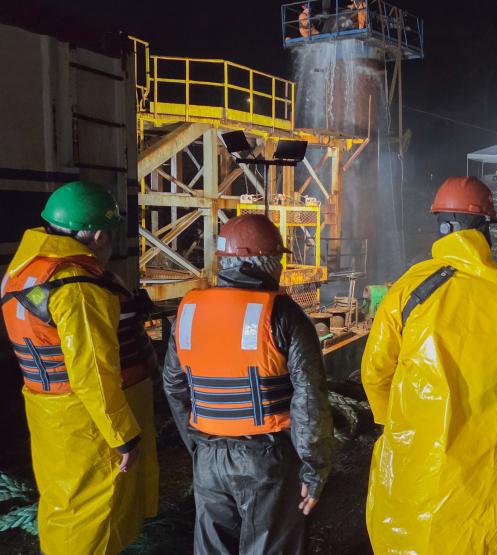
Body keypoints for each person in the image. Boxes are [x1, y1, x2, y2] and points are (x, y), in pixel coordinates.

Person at [362, 176, 497, 554]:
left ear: (442, 225)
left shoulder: (410, 287)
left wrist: (400, 424)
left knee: (417, 532)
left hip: (421, 449)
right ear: (484, 228)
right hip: (494, 452)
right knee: (496, 530)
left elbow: (375, 371)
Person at [0, 181, 158, 554]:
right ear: (100, 235)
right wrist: (123, 436)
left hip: (51, 414)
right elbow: (93, 374)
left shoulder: (27, 269)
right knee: (92, 514)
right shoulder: (78, 288)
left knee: (64, 501)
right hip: (89, 423)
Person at [162, 214, 334, 555]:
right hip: (267, 459)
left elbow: (173, 384)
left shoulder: (189, 311)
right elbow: (309, 399)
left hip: (209, 457)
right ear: (272, 262)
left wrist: (197, 446)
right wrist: (315, 467)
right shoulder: (284, 315)